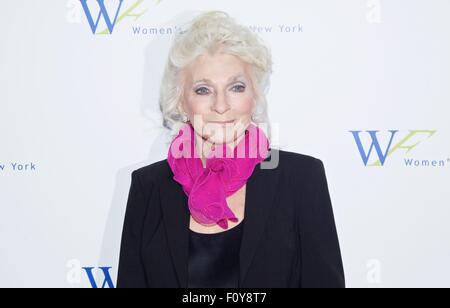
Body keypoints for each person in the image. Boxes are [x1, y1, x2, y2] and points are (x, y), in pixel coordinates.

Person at [117, 11, 345, 288]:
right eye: (203, 90)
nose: (221, 105)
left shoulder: (302, 178)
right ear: (180, 102)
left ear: (254, 95)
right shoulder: (148, 186)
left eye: (236, 87)